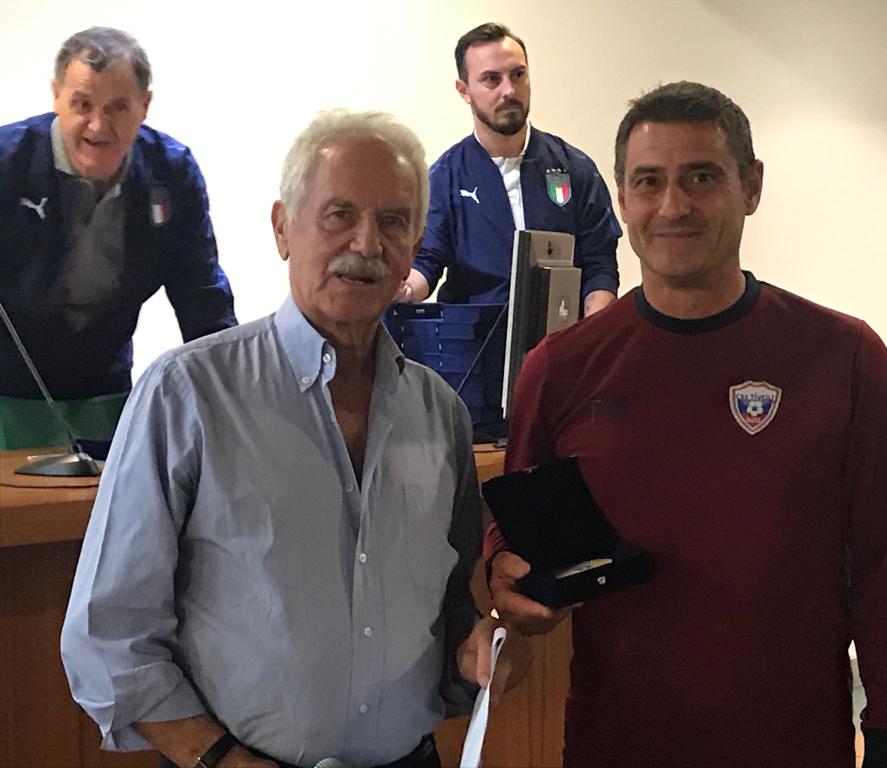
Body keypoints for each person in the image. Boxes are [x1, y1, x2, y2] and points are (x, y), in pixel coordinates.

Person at [484, 80, 887, 768]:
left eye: (702, 177)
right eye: (649, 181)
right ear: (622, 196)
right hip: (618, 747)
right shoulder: (561, 368)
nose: (673, 206)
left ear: (752, 186)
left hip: (795, 747)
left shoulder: (844, 358)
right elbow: (516, 534)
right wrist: (505, 573)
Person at [61, 108, 528, 768]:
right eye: (340, 214)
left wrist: (476, 650)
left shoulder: (441, 415)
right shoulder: (187, 394)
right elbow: (109, 630)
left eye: (393, 222)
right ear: (283, 228)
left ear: (414, 244)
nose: (367, 243)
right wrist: (218, 759)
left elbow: (450, 607)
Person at [0, 26, 235, 450]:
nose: (97, 125)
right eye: (82, 104)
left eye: (118, 107)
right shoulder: (6, 162)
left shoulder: (172, 173)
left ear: (145, 106)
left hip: (106, 393)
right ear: (56, 96)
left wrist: (234, 401)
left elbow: (202, 299)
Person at [399, 22, 620, 316]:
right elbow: (426, 261)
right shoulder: (444, 178)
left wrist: (592, 330)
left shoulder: (575, 168)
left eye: (518, 75)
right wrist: (403, 291)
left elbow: (600, 265)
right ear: (464, 90)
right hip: (477, 338)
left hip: (564, 334)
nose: (509, 90)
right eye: (492, 79)